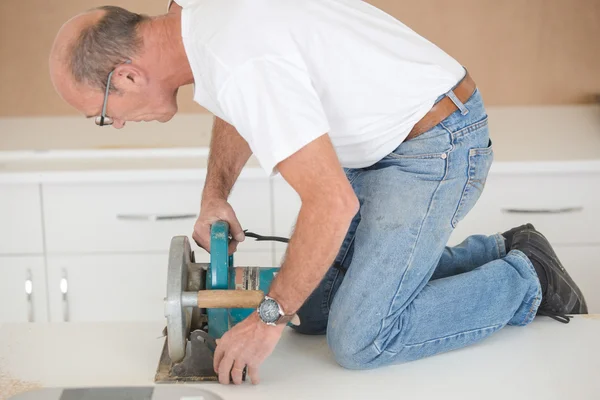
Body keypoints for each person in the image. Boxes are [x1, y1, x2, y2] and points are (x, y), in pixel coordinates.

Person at [49, 0, 588, 385]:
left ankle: (526, 279)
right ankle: (498, 249)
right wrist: (215, 194)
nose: (113, 125)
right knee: (319, 300)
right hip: (380, 141)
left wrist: (266, 322)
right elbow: (242, 103)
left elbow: (332, 202)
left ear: (124, 77)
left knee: (361, 339)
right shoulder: (193, 17)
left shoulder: (237, 59)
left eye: (101, 114)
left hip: (435, 142)